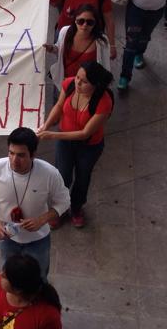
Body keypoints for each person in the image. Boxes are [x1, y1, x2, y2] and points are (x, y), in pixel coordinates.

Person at [0, 127, 71, 278]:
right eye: (11, 153)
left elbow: (64, 201)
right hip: (7, 236)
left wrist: (42, 219)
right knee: (10, 276)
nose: (14, 160)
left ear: (33, 155)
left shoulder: (49, 173)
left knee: (39, 277)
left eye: (21, 155)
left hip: (38, 238)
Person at [37, 60, 113, 227]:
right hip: (65, 142)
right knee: (61, 176)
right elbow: (58, 106)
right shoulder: (69, 84)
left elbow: (85, 133)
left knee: (82, 178)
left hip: (89, 147)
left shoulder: (104, 102)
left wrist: (53, 135)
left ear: (95, 84)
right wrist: (46, 125)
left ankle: (76, 208)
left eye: (84, 81)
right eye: (78, 77)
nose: (78, 82)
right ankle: (58, 210)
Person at [46, 4, 111, 89]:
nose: (84, 25)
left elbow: (105, 67)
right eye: (81, 21)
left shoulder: (102, 42)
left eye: (90, 22)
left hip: (87, 89)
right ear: (75, 21)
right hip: (64, 83)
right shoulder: (65, 32)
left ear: (95, 23)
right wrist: (52, 48)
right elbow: (59, 49)